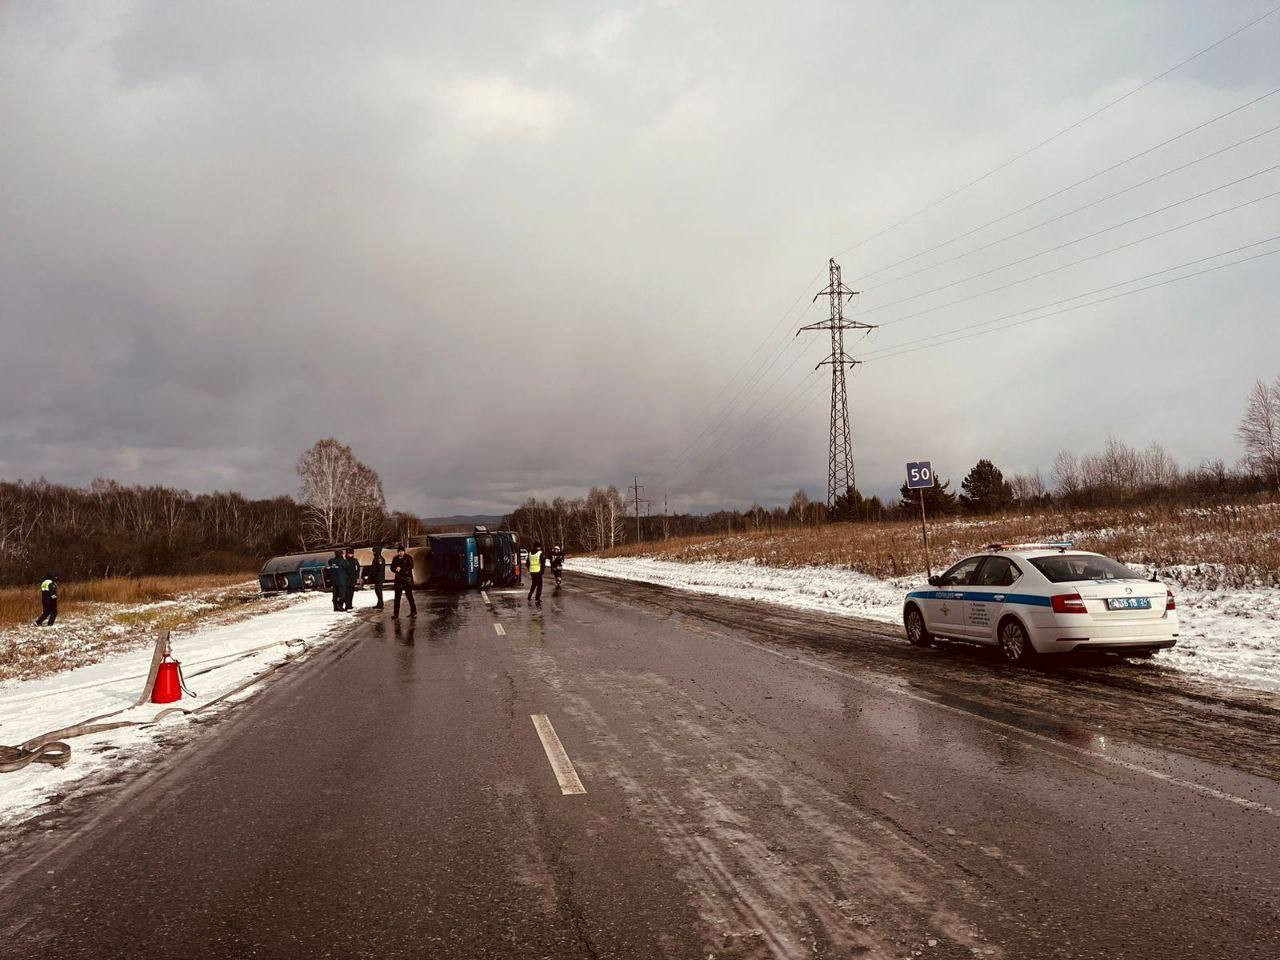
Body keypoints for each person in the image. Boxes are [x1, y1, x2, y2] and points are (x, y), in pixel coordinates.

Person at [390, 543, 417, 618]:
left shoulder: (408, 557)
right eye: (399, 551)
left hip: (406, 579)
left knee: (409, 596)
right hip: (398, 580)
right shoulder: (395, 558)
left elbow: (411, 566)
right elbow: (392, 567)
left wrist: (401, 569)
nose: (400, 553)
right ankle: (396, 614)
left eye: (402, 551)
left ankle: (413, 611)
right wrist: (395, 569)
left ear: (404, 551)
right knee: (397, 598)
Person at [369, 544, 386, 610]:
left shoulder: (379, 559)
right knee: (377, 590)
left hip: (379, 578)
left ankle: (380, 603)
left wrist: (378, 577)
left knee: (378, 591)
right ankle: (379, 603)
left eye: (374, 551)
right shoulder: (377, 558)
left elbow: (380, 570)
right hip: (377, 578)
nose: (373, 553)